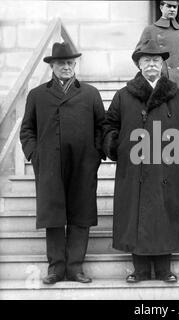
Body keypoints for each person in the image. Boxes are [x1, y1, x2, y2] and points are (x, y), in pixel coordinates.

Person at [103, 39, 179, 283]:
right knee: (137, 215)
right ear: (139, 64)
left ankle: (165, 269)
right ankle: (140, 270)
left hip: (169, 166)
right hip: (136, 168)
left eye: (156, 60)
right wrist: (117, 148)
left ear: (162, 64)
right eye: (147, 61)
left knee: (166, 214)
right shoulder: (124, 96)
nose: (152, 65)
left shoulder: (176, 95)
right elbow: (109, 126)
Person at [20, 42, 106, 284]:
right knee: (54, 215)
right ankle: (56, 269)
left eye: (70, 63)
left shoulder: (90, 93)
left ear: (75, 64)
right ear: (52, 66)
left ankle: (75, 267)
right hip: (49, 164)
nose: (66, 67)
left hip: (83, 164)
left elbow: (102, 126)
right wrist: (35, 155)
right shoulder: (37, 95)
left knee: (81, 213)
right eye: (61, 64)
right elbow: (27, 129)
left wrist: (95, 154)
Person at [135, 0, 179, 100]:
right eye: (169, 6)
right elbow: (137, 54)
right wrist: (151, 70)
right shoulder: (150, 30)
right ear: (161, 7)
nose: (172, 9)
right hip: (159, 82)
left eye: (175, 7)